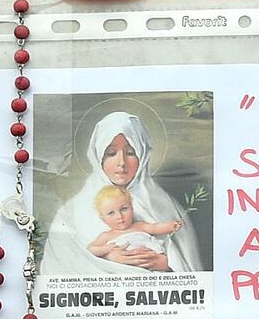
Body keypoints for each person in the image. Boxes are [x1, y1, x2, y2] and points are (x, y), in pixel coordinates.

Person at [41, 111, 200, 278]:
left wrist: (163, 264)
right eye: (111, 153)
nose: (121, 162)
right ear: (98, 156)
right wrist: (108, 258)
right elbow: (62, 265)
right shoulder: (71, 211)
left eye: (130, 152)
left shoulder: (165, 205)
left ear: (142, 155)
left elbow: (189, 270)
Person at [87, 184, 185, 263]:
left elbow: (156, 228)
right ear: (104, 220)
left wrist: (171, 226)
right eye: (111, 213)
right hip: (126, 263)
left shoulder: (140, 226)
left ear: (132, 209)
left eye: (124, 209)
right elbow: (90, 249)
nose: (119, 216)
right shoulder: (106, 236)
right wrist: (105, 249)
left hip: (150, 258)